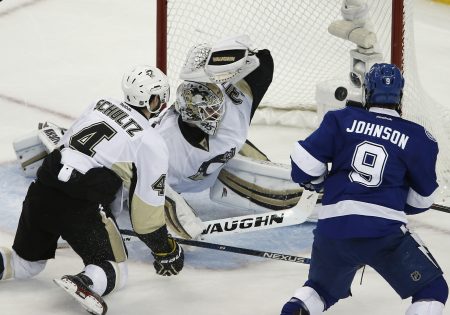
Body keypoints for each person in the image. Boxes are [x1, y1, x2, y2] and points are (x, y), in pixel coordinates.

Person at [0, 65, 184, 315]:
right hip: (81, 207)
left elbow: (67, 147)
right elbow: (146, 220)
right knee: (115, 269)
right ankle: (85, 282)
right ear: (155, 100)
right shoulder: (151, 142)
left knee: (25, 265)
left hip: (43, 189)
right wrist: (166, 250)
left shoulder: (101, 103)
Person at [281, 63, 448, 315]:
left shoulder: (340, 118)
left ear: (367, 93)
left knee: (319, 290)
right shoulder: (418, 137)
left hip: (333, 230)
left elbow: (303, 162)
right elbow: (423, 199)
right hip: (385, 234)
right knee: (432, 290)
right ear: (400, 97)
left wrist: (317, 182)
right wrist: (395, 197)